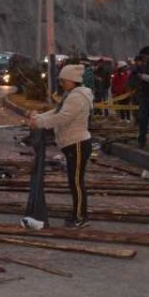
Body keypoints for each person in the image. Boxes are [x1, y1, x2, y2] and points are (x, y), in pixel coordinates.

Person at [30, 64, 93, 228]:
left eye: (63, 80)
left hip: (77, 143)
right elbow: (56, 111)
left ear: (72, 80)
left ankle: (80, 216)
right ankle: (77, 213)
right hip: (72, 143)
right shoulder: (71, 95)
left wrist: (41, 122)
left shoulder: (77, 98)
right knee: (74, 181)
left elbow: (63, 117)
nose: (61, 84)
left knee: (76, 182)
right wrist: (40, 118)